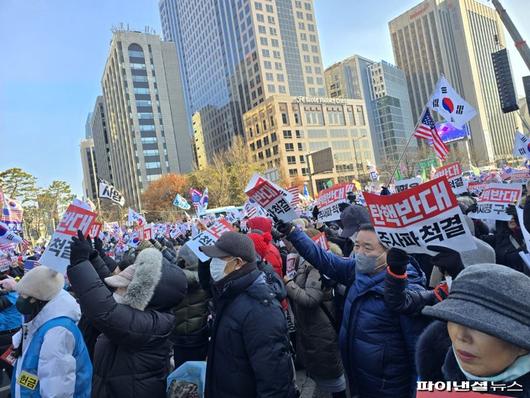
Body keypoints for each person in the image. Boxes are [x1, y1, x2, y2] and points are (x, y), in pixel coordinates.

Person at [277, 221, 428, 398]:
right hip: (360, 383)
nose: (359, 253)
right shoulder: (356, 271)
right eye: (357, 245)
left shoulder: (407, 292)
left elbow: (420, 357)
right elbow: (324, 260)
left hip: (392, 390)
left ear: (391, 253)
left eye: (368, 247)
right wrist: (295, 234)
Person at [67, 230, 187, 398]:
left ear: (145, 294)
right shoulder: (145, 310)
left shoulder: (153, 325)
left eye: (125, 287)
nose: (118, 290)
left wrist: (80, 264)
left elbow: (105, 311)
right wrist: (93, 257)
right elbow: (108, 286)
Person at [199, 231, 297, 398]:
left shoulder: (260, 309)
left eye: (219, 259)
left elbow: (274, 380)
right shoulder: (229, 293)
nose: (213, 264)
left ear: (238, 262)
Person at [416, 264, 530, 396]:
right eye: (455, 318)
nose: (462, 336)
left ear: (523, 346)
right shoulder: (434, 370)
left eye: (482, 326)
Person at [11, 266, 92, 398]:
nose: (19, 299)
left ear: (37, 298)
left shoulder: (57, 332)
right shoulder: (38, 319)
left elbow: (57, 390)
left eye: (23, 294)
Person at [284, 228, 347, 398]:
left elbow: (310, 299)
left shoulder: (315, 265)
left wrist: (288, 283)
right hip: (315, 327)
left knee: (334, 378)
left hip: (322, 327)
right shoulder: (306, 262)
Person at [171, 245, 209, 369]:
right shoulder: (207, 277)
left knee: (182, 373)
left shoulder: (178, 278)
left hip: (180, 336)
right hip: (200, 333)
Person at [0, 275, 22, 380]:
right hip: (15, 335)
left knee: (11, 367)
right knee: (12, 367)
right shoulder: (20, 295)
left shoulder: (11, 298)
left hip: (6, 336)